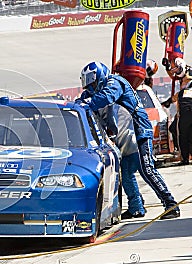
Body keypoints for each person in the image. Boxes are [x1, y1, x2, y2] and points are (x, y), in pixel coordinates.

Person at [77, 61, 180, 219]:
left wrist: (87, 103)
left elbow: (105, 97)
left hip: (140, 131)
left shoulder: (114, 82)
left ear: (100, 78)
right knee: (126, 172)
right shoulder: (96, 92)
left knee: (147, 170)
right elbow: (85, 100)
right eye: (88, 87)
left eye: (93, 84)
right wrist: (78, 104)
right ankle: (136, 207)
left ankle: (171, 204)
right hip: (125, 137)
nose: (90, 90)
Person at [98, 104, 146, 219]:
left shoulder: (106, 108)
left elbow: (112, 129)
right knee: (128, 176)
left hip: (128, 146)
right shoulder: (114, 107)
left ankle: (137, 208)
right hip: (131, 144)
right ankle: (138, 204)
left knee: (128, 177)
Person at [161, 58, 192, 165]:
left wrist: (170, 100)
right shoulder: (183, 75)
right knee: (174, 128)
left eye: (178, 70)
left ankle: (184, 157)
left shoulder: (189, 77)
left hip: (186, 107)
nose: (176, 73)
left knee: (182, 133)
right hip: (183, 107)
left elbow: (181, 94)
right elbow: (173, 76)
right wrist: (167, 67)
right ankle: (185, 154)